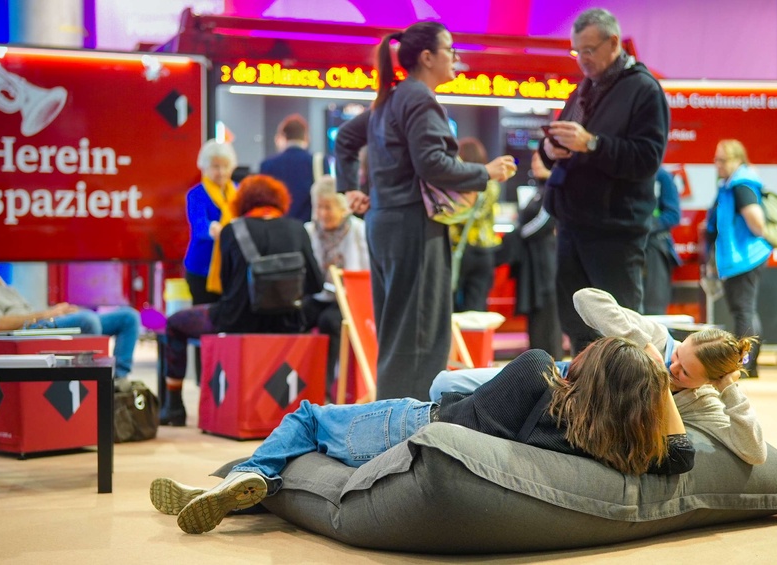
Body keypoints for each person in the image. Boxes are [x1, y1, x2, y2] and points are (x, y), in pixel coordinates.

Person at [150, 340, 694, 534]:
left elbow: (471, 408)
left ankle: (245, 477)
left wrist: (640, 360)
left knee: (310, 419)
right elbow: (683, 452)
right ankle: (234, 486)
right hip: (422, 441)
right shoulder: (615, 443)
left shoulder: (535, 372)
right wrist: (656, 383)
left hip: (413, 426)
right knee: (304, 446)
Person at [334, 21, 517, 400]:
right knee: (418, 336)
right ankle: (406, 434)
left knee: (399, 333)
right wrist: (486, 171)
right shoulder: (417, 98)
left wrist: (351, 189)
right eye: (449, 49)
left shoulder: (392, 98)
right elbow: (432, 163)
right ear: (427, 57)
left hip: (387, 223)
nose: (455, 57)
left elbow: (347, 140)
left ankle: (392, 428)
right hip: (413, 225)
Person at [431, 287, 766, 466]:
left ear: (708, 382)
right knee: (443, 384)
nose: (672, 368)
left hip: (576, 416)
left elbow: (754, 452)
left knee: (458, 402)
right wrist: (643, 346)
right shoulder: (660, 339)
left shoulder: (704, 401)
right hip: (561, 377)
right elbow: (585, 298)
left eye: (685, 372)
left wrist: (729, 390)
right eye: (677, 356)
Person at [538, 8, 669, 356]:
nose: (582, 60)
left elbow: (647, 159)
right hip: (572, 224)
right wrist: (551, 146)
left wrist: (592, 144)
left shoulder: (644, 89)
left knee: (620, 328)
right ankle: (584, 400)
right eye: (577, 52)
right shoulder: (584, 89)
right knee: (576, 323)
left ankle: (626, 405)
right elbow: (558, 142)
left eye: (589, 50)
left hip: (614, 230)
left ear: (613, 43)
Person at [160, 175, 324, 425]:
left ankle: (173, 407)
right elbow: (316, 283)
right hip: (288, 322)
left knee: (174, 323)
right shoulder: (297, 229)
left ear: (242, 202)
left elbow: (227, 286)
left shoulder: (231, 231)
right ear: (280, 200)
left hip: (236, 320)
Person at [0, 235, 141, 379]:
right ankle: (94, 381)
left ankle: (117, 378)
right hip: (23, 332)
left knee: (128, 317)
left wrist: (59, 313)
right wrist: (49, 313)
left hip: (40, 324)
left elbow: (31, 312)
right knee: (88, 320)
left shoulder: (1, 287)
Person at [705, 140, 772, 378]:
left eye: (722, 160)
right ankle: (748, 364)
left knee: (743, 310)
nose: (717, 164)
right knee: (743, 310)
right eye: (716, 159)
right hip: (737, 259)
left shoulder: (741, 185)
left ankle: (747, 365)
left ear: (737, 160)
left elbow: (757, 222)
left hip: (745, 258)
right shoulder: (730, 184)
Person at [302, 175, 369, 394]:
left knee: (329, 322)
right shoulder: (308, 231)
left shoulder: (360, 230)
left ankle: (326, 390)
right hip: (318, 295)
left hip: (349, 300)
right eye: (319, 207)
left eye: (328, 207)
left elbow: (366, 271)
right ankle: (299, 385)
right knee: (297, 316)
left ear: (343, 208)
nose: (322, 213)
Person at [501, 152, 562, 359]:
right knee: (536, 318)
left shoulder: (554, 190)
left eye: (540, 160)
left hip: (546, 264)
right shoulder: (539, 190)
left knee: (547, 319)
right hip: (532, 265)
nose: (535, 164)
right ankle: (537, 366)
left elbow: (545, 222)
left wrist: (518, 234)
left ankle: (551, 371)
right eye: (534, 160)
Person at [451, 137, 502, 312]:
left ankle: (456, 340)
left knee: (451, 305)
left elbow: (458, 216)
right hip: (485, 251)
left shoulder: (458, 187)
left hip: (460, 249)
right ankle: (475, 340)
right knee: (477, 306)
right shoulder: (492, 185)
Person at [184, 140, 238, 303]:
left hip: (232, 267)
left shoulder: (239, 191)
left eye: (225, 166)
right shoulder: (196, 194)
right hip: (201, 269)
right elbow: (199, 224)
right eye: (215, 167)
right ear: (205, 167)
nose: (221, 172)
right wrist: (214, 228)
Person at [261, 114, 322, 223]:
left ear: (283, 136)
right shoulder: (318, 162)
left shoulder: (267, 165)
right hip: (307, 229)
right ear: (306, 136)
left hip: (278, 228)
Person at [642, 167, 682, 315]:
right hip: (627, 247)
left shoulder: (662, 176)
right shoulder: (623, 172)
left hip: (655, 249)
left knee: (654, 310)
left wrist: (644, 225)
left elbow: (673, 214)